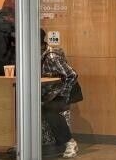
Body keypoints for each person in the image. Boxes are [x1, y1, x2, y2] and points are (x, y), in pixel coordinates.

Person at [41, 29, 79, 159]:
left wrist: (62, 94)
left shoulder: (52, 57)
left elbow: (72, 75)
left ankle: (70, 142)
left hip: (61, 94)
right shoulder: (30, 55)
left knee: (48, 109)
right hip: (46, 93)